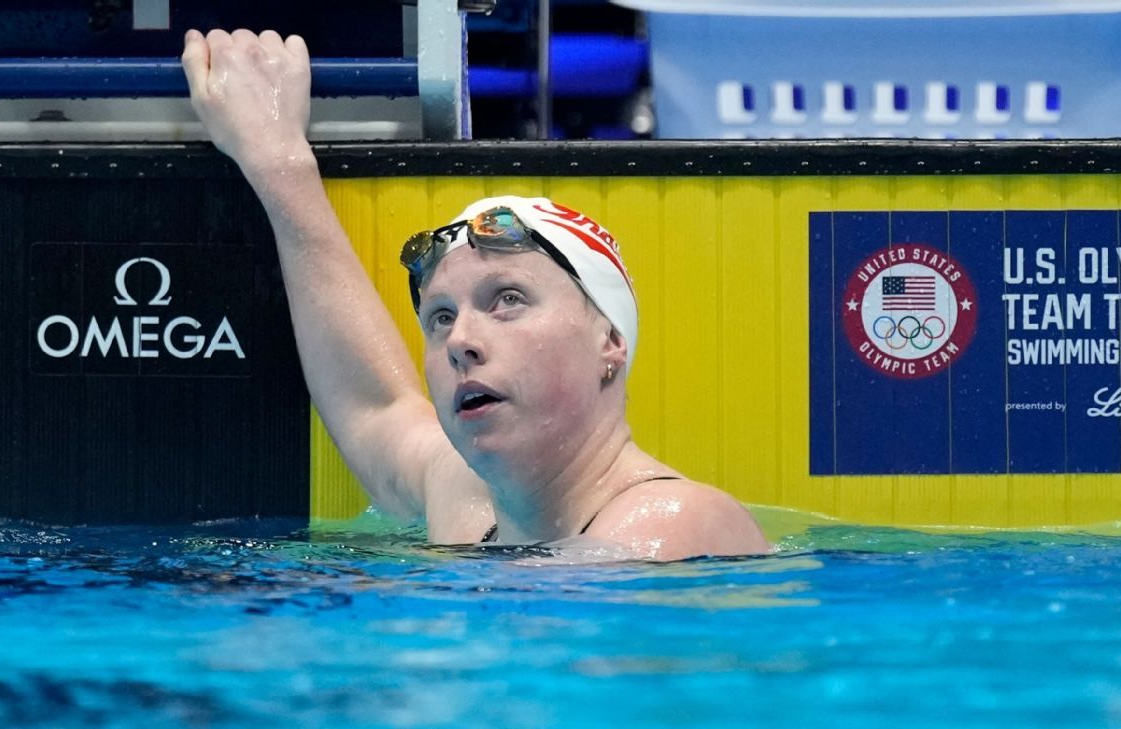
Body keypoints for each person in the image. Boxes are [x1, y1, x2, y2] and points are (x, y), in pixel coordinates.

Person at [180, 29, 770, 561]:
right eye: (440, 317)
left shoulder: (679, 522)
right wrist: (277, 160)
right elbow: (376, 408)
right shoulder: (466, 500)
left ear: (609, 340)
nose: (461, 340)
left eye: (507, 300)